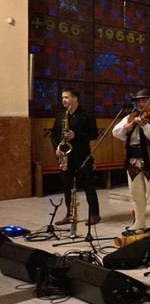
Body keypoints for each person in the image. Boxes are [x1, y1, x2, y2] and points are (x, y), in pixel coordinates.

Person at [112, 88, 150, 235]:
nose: (141, 103)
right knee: (135, 193)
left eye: (145, 100)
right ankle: (139, 221)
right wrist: (126, 128)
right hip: (133, 159)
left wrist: (144, 125)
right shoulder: (131, 116)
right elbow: (116, 132)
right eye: (139, 101)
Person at [51, 89, 101, 226]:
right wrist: (57, 147)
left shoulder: (86, 116)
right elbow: (53, 134)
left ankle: (94, 214)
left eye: (66, 97)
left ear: (75, 99)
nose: (63, 100)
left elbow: (93, 134)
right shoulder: (61, 116)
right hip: (66, 156)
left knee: (88, 185)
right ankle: (70, 214)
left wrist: (75, 135)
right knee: (67, 186)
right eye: (62, 97)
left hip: (82, 155)